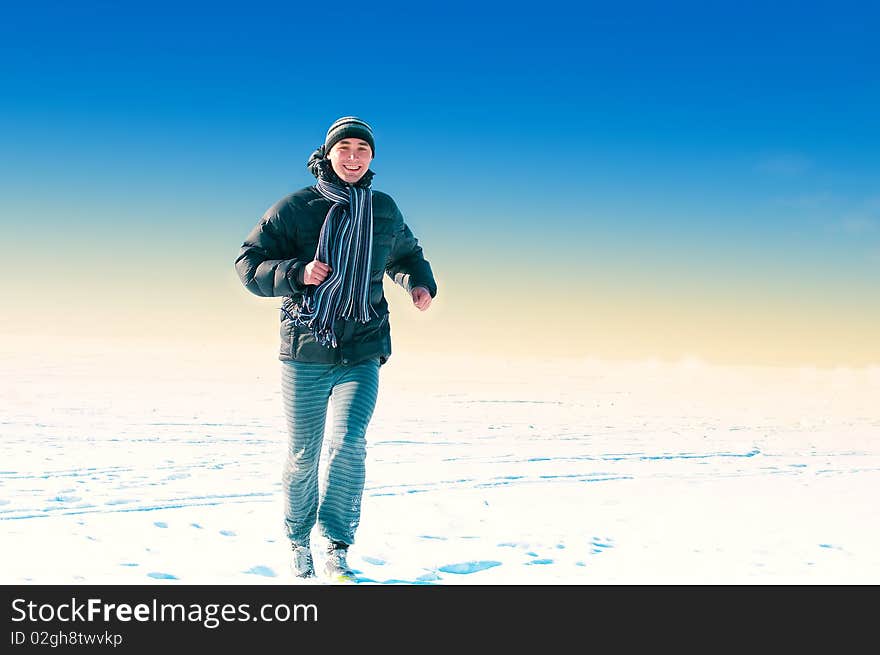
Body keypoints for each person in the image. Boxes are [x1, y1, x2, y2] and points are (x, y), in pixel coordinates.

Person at [234, 116, 437, 582]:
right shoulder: (295, 208)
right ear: (328, 155)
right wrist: (297, 273)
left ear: (371, 159)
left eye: (361, 150)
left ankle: (336, 545)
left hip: (363, 346)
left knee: (348, 445)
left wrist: (419, 283)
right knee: (304, 453)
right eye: (344, 148)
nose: (352, 157)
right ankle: (298, 540)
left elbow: (405, 253)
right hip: (306, 346)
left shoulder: (382, 209)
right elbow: (248, 262)